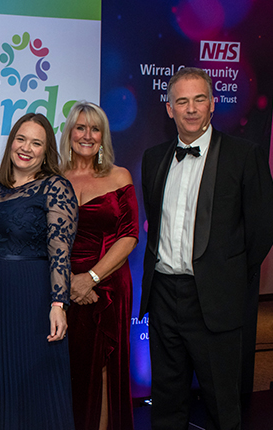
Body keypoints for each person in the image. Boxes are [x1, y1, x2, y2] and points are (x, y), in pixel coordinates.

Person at [140, 67, 273, 430]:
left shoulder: (244, 155)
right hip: (164, 297)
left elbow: (262, 228)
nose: (191, 108)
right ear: (169, 108)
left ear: (213, 103)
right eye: (182, 101)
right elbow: (155, 222)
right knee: (167, 403)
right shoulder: (153, 158)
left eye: (199, 99)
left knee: (222, 406)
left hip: (215, 299)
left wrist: (227, 274)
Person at [0, 113, 78, 429]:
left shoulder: (56, 187)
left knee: (35, 386)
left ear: (46, 150)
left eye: (36, 143)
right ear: (11, 142)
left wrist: (59, 303)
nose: (26, 148)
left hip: (32, 298)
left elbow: (60, 250)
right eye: (21, 139)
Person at [59, 101, 138, 430]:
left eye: (95, 129)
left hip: (108, 286)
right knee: (66, 369)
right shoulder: (53, 178)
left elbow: (130, 235)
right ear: (70, 133)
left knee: (103, 368)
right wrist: (67, 283)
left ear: (103, 136)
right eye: (81, 128)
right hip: (62, 288)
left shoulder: (119, 176)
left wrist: (90, 278)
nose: (87, 135)